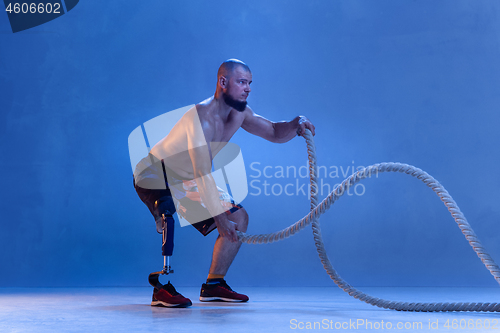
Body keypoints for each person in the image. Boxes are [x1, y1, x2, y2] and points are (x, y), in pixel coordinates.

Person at [133, 59, 315, 307]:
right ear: (222, 83)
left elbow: (273, 131)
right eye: (242, 82)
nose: (248, 88)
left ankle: (213, 285)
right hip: (155, 174)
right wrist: (218, 218)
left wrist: (296, 124)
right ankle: (161, 286)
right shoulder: (201, 118)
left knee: (239, 219)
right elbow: (202, 173)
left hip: (186, 179)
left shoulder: (240, 113)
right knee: (167, 215)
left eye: (250, 83)